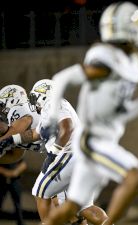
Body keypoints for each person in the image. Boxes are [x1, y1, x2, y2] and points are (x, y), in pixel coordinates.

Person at [43, 2, 138, 225]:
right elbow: (62, 78)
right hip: (92, 140)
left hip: (106, 137)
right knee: (135, 177)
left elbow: (119, 114)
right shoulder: (106, 61)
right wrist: (50, 119)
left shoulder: (132, 63)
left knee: (70, 209)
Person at [0, 79, 108, 225]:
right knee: (76, 206)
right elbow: (32, 136)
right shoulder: (47, 112)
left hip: (68, 155)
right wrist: (12, 141)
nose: (33, 103)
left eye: (35, 98)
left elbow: (64, 126)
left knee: (40, 192)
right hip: (80, 154)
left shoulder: (46, 105)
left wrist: (53, 154)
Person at [0, 85, 42, 164]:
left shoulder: (19, 109)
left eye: (3, 104)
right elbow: (16, 156)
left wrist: (3, 141)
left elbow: (25, 121)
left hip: (64, 146)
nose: (3, 109)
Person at [0, 159, 27, 225]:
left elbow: (24, 164)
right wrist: (6, 172)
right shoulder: (2, 154)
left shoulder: (16, 154)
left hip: (14, 181)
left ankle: (20, 222)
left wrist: (16, 172)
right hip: (1, 181)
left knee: (17, 204)